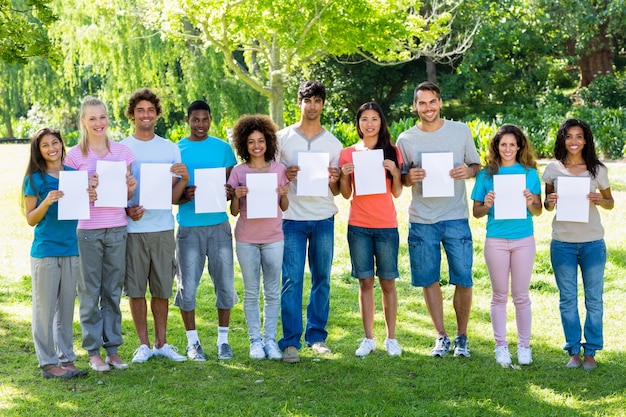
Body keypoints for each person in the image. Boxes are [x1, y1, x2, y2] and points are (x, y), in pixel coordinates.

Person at [397, 81, 480, 358]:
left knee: (464, 278)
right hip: (422, 220)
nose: (428, 108)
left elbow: (476, 166)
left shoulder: (461, 131)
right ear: (415, 106)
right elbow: (402, 179)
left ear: (440, 102)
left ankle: (462, 337)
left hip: (455, 216)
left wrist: (467, 172)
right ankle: (441, 336)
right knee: (428, 278)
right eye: (422, 103)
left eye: (432, 102)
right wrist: (410, 177)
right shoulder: (405, 140)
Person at [65, 96, 136, 372]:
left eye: (102, 117)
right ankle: (93, 351)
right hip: (88, 232)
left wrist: (130, 188)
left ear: (108, 119)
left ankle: (113, 350)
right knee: (90, 291)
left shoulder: (123, 153)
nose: (98, 123)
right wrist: (86, 188)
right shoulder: (73, 156)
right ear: (83, 121)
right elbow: (70, 200)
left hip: (117, 227)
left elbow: (126, 195)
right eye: (92, 118)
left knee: (112, 291)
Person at [121, 88, 189, 364]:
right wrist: (127, 209)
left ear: (157, 114)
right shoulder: (122, 148)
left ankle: (161, 343)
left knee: (161, 288)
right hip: (132, 229)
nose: (145, 115)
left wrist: (183, 179)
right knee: (136, 289)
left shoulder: (169, 148)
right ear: (132, 115)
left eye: (150, 110)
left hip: (162, 228)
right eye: (140, 110)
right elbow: (116, 190)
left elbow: (173, 199)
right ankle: (143, 345)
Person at [22, 128, 95, 379]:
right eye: (45, 145)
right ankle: (48, 363)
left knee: (65, 308)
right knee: (44, 310)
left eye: (55, 143)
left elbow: (78, 208)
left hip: (71, 250)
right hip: (46, 252)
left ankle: (66, 358)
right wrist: (46, 201)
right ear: (38, 150)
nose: (51, 148)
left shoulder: (74, 176)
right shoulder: (35, 179)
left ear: (62, 145)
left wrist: (90, 196)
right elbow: (31, 219)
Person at [277, 81, 342, 363]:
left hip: (323, 218)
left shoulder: (333, 143)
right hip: (291, 219)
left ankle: (316, 336)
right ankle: (290, 342)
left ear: (323, 104)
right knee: (291, 280)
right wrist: (285, 175)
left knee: (322, 279)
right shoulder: (282, 139)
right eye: (307, 100)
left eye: (317, 100)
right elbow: (271, 177)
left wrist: (334, 179)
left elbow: (338, 190)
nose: (312, 106)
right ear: (299, 102)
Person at [543, 119, 614, 371]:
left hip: (592, 243)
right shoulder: (552, 169)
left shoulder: (597, 170)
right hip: (562, 243)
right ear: (563, 139)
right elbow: (547, 204)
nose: (574, 141)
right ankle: (573, 351)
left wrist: (599, 199)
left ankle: (591, 351)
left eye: (579, 136)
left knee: (594, 300)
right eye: (569, 136)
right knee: (568, 299)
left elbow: (610, 202)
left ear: (586, 140)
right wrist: (549, 202)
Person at [471, 125, 542, 367]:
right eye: (504, 145)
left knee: (521, 296)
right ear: (496, 147)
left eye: (513, 144)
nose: (508, 149)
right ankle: (501, 347)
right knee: (499, 295)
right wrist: (487, 205)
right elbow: (477, 213)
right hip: (496, 241)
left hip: (523, 239)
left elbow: (538, 210)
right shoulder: (486, 175)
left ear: (520, 146)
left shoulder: (530, 173)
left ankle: (524, 346)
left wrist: (531, 201)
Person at [174, 100, 238, 361]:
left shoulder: (223, 149)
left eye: (205, 119)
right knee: (187, 288)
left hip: (219, 226)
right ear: (187, 120)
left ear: (211, 119)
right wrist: (184, 195)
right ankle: (193, 343)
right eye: (195, 119)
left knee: (224, 283)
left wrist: (229, 191)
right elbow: (172, 195)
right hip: (189, 228)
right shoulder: (177, 150)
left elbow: (232, 185)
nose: (200, 124)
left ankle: (223, 341)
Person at [339, 102, 403, 358]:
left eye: (374, 118)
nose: (369, 123)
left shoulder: (392, 151)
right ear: (358, 124)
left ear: (381, 122)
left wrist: (395, 172)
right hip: (359, 226)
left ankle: (391, 338)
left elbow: (397, 192)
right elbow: (345, 195)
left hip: (386, 225)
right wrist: (345, 175)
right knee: (365, 281)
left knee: (387, 282)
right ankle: (368, 338)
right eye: (364, 119)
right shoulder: (348, 153)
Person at [228, 115, 289, 360]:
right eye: (251, 142)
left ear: (268, 142)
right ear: (244, 144)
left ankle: (270, 340)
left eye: (261, 141)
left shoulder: (278, 169)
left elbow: (284, 206)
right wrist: (236, 195)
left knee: (272, 291)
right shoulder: (238, 172)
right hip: (246, 239)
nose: (256, 146)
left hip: (274, 237)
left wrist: (283, 193)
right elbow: (233, 211)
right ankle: (255, 341)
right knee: (252, 291)